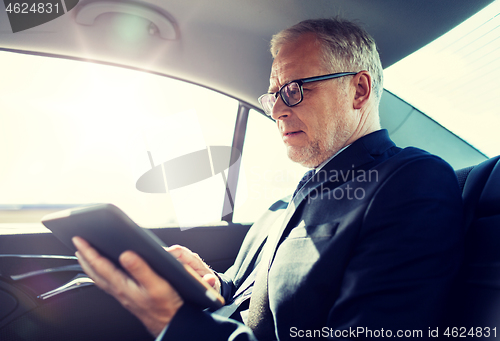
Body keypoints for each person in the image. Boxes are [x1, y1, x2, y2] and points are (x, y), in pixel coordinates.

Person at [73, 18, 464, 340]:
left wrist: (174, 323)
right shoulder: (284, 205)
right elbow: (248, 295)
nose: (276, 110)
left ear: (358, 90)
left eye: (293, 90)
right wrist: (212, 283)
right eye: (273, 94)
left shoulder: (410, 183)